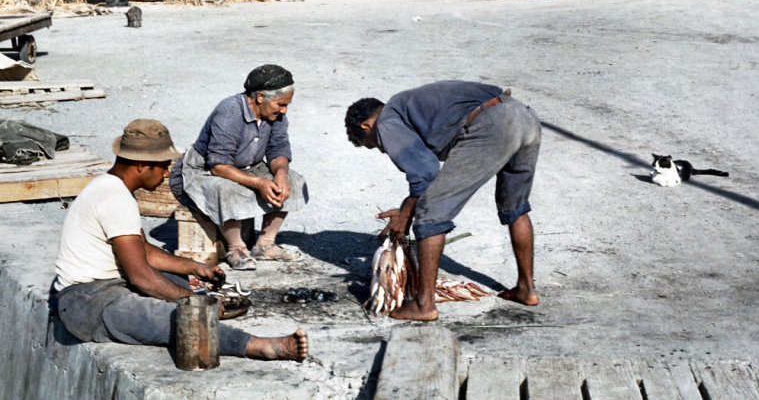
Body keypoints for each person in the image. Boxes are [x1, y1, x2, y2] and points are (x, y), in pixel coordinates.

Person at [54, 119, 308, 361]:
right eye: (163, 166)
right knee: (181, 315)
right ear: (141, 165)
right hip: (87, 303)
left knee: (182, 286)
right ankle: (263, 346)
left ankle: (205, 308)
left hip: (110, 284)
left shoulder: (111, 187)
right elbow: (140, 276)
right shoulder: (115, 198)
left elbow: (145, 252)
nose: (166, 174)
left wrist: (195, 267)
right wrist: (196, 303)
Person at [345, 81, 542, 321]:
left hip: (492, 125)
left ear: (366, 126)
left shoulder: (386, 121)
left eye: (372, 145)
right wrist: (408, 207)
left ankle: (423, 305)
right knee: (516, 208)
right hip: (524, 116)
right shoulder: (407, 103)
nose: (382, 150)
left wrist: (407, 210)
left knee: (430, 212)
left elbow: (425, 171)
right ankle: (526, 289)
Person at [170, 64, 309, 270]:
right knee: (225, 189)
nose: (284, 110)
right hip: (207, 169)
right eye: (280, 104)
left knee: (294, 181)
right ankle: (235, 248)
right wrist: (259, 182)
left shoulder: (276, 114)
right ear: (261, 97)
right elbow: (218, 166)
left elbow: (278, 148)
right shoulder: (230, 111)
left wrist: (280, 174)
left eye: (286, 105)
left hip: (247, 165)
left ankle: (264, 245)